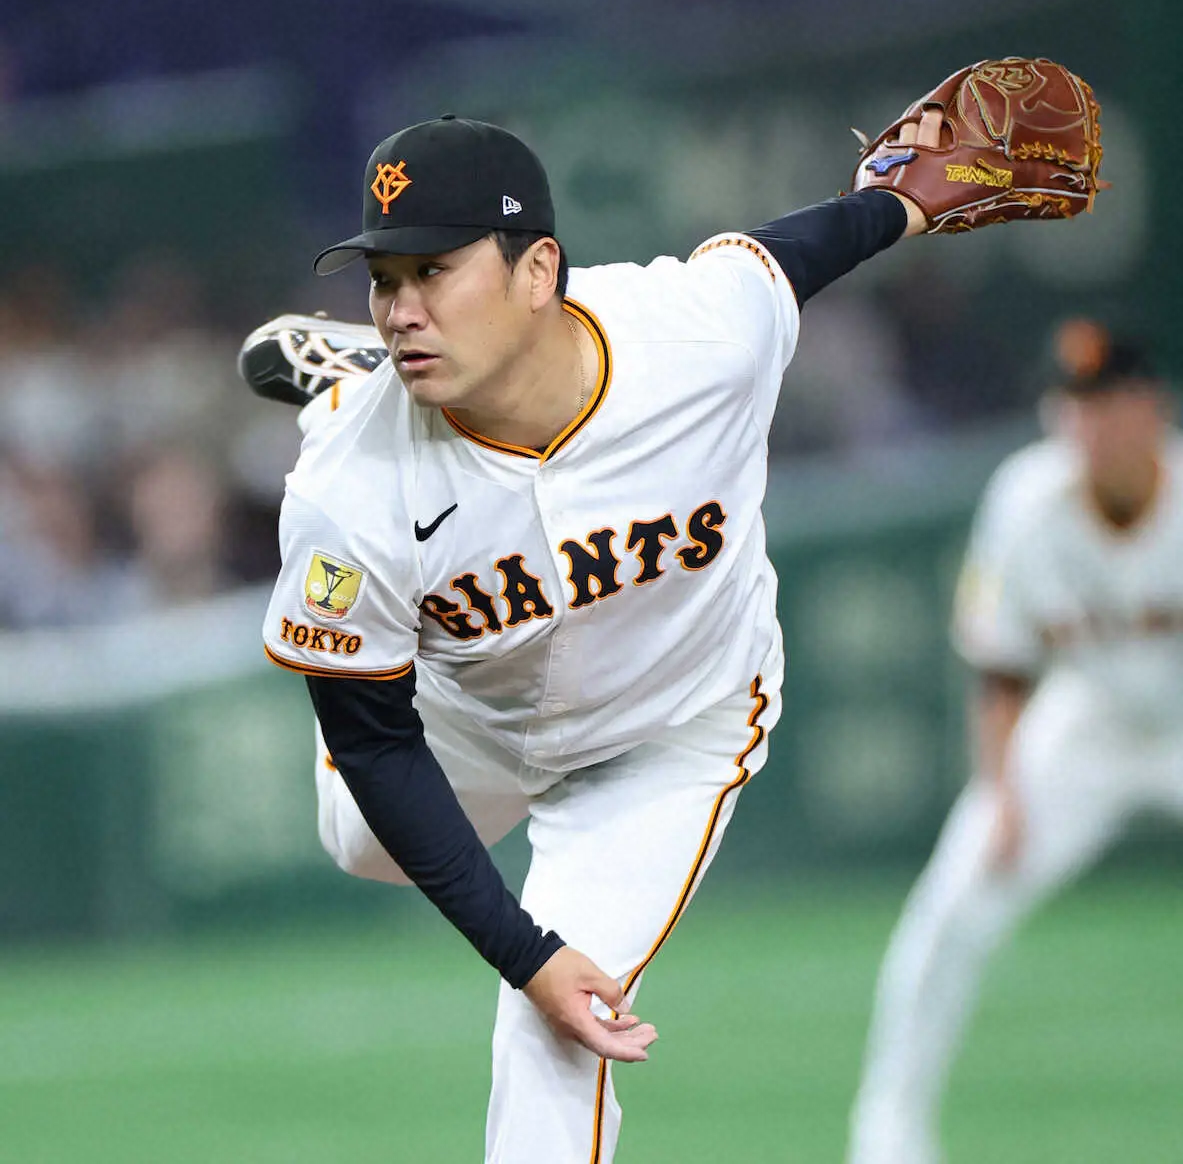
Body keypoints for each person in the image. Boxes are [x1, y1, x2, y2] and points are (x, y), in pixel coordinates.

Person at [239, 104, 1050, 1163]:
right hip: (464, 725)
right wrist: (522, 948)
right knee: (362, 844)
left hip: (669, 730)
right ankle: (347, 392)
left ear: (539, 269)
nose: (401, 306)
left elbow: (799, 252)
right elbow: (377, 746)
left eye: (433, 270)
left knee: (554, 1032)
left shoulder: (697, 337)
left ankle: (355, 384)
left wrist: (899, 201)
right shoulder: (347, 492)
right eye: (383, 282)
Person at [846, 319, 1183, 1164]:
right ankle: (889, 1133)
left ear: (1149, 408)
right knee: (952, 903)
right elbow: (1000, 669)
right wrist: (1001, 798)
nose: (1085, 424)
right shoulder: (1026, 500)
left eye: (1103, 402)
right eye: (1071, 404)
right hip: (1088, 723)